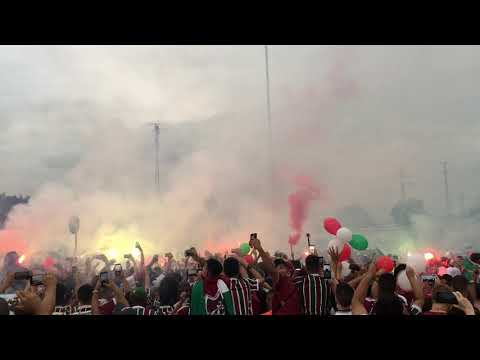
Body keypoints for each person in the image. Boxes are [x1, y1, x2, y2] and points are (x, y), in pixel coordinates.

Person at [250, 237, 300, 315]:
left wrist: (260, 249)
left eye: (281, 267)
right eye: (276, 267)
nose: (277, 270)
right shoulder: (282, 286)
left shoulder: (285, 282)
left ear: (289, 273)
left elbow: (273, 271)